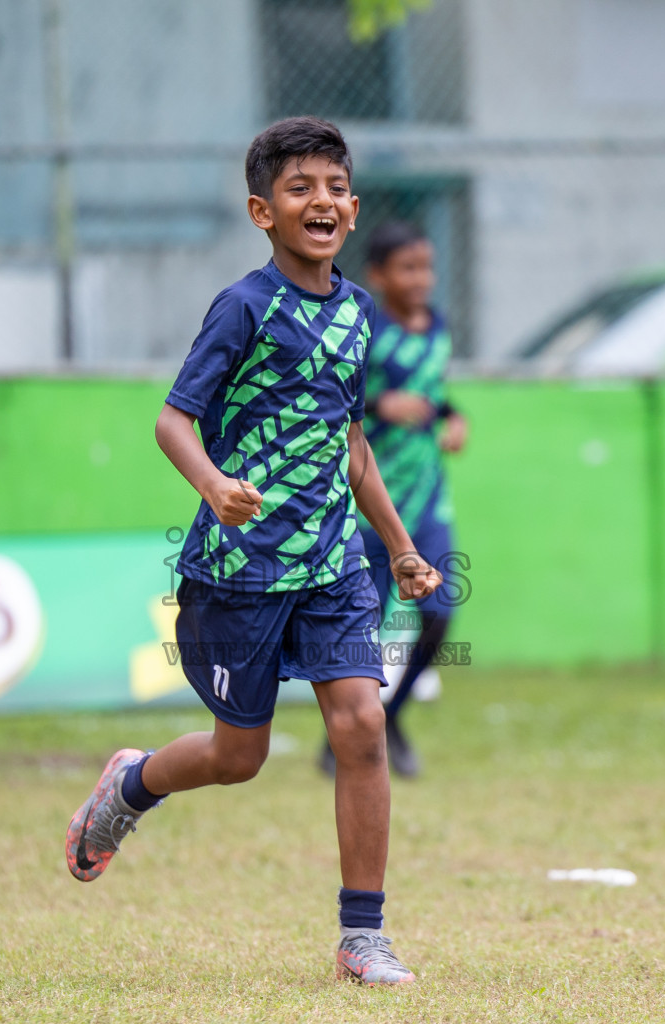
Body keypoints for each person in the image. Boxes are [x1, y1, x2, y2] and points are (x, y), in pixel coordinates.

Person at [64, 117, 441, 987]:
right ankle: (130, 785)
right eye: (300, 187)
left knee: (361, 724)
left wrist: (399, 547)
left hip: (335, 568)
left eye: (336, 187)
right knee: (241, 758)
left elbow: (352, 445)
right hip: (240, 573)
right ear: (261, 211)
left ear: (353, 207)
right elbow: (172, 420)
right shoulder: (243, 308)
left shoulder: (357, 313)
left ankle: (363, 937)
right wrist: (212, 485)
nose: (323, 201)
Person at [319, 221, 467, 778]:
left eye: (426, 266)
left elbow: (435, 394)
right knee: (366, 628)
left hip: (429, 499)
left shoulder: (439, 328)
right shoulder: (366, 326)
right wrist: (382, 408)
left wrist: (454, 418)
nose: (421, 279)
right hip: (372, 504)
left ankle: (392, 719)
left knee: (438, 615)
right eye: (407, 268)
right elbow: (339, 402)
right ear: (378, 275)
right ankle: (344, 736)